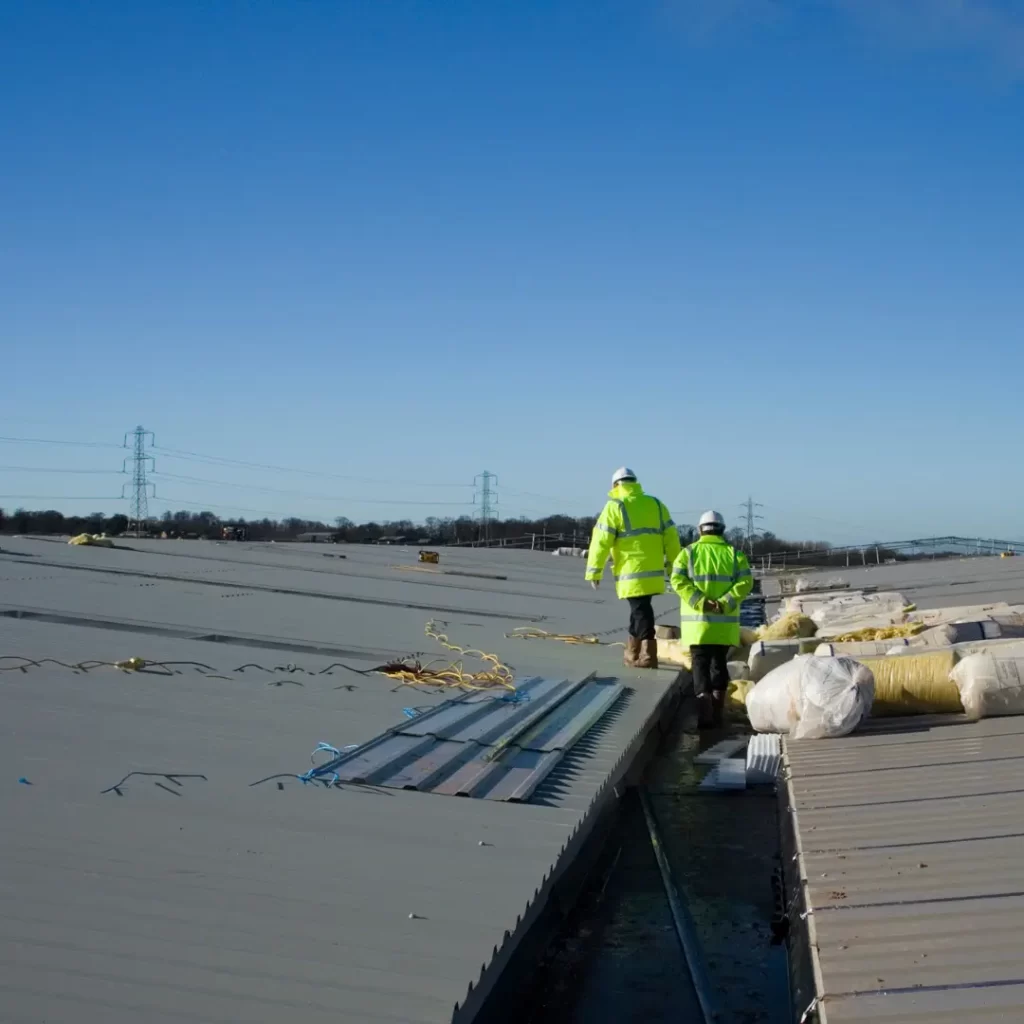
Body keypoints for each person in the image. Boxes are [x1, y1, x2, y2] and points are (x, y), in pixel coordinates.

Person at [585, 467, 680, 669]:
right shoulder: (656, 504)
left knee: (641, 610)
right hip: (653, 571)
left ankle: (647, 655)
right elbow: (672, 539)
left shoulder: (615, 506)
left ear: (615, 485)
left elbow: (601, 541)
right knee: (638, 609)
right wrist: (674, 569)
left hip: (631, 572)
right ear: (635, 482)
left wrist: (594, 570)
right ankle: (632, 653)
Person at [670, 510, 753, 726]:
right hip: (723, 626)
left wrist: (700, 601)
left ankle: (703, 713)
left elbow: (677, 580)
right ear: (722, 530)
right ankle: (717, 712)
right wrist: (725, 602)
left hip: (697, 625)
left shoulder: (688, 553)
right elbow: (746, 582)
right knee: (719, 664)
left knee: (699, 664)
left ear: (700, 530)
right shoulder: (735, 555)